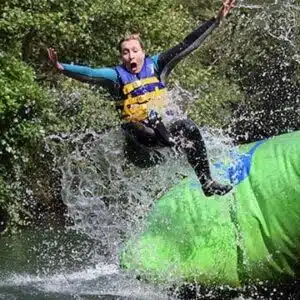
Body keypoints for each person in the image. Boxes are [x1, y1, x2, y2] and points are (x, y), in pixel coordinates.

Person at [47, 0, 235, 197]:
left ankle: (207, 182)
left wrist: (216, 20)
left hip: (161, 140)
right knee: (138, 121)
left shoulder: (157, 65)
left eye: (135, 50)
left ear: (143, 53)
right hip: (139, 150)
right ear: (121, 57)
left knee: (187, 127)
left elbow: (187, 44)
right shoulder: (115, 76)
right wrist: (62, 68)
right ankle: (171, 143)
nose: (130, 56)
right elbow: (90, 73)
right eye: (125, 52)